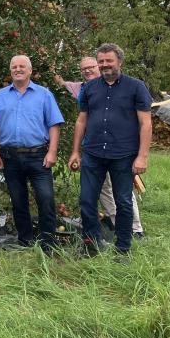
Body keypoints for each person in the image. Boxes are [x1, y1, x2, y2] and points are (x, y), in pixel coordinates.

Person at [68, 44, 152, 255]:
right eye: (101, 61)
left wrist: (142, 156)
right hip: (93, 153)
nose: (104, 65)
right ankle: (91, 245)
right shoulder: (90, 88)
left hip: (123, 154)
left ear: (119, 62)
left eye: (109, 61)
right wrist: (75, 151)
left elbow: (146, 124)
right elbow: (81, 120)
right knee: (87, 200)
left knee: (123, 202)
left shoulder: (136, 87)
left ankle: (123, 248)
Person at [56, 56, 145, 237]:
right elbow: (63, 85)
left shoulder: (127, 87)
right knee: (102, 191)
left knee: (123, 193)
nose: (87, 70)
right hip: (93, 149)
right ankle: (116, 225)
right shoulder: (82, 88)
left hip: (119, 150)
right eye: (83, 69)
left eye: (91, 67)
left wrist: (141, 154)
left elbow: (143, 121)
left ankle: (135, 229)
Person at [0, 55, 64, 252]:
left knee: (46, 199)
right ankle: (25, 241)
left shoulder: (44, 94)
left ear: (30, 70)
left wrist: (52, 152)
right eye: (14, 66)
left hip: (38, 156)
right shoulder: (0, 96)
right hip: (10, 156)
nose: (18, 69)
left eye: (22, 66)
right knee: (18, 201)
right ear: (10, 71)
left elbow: (54, 125)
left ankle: (48, 244)